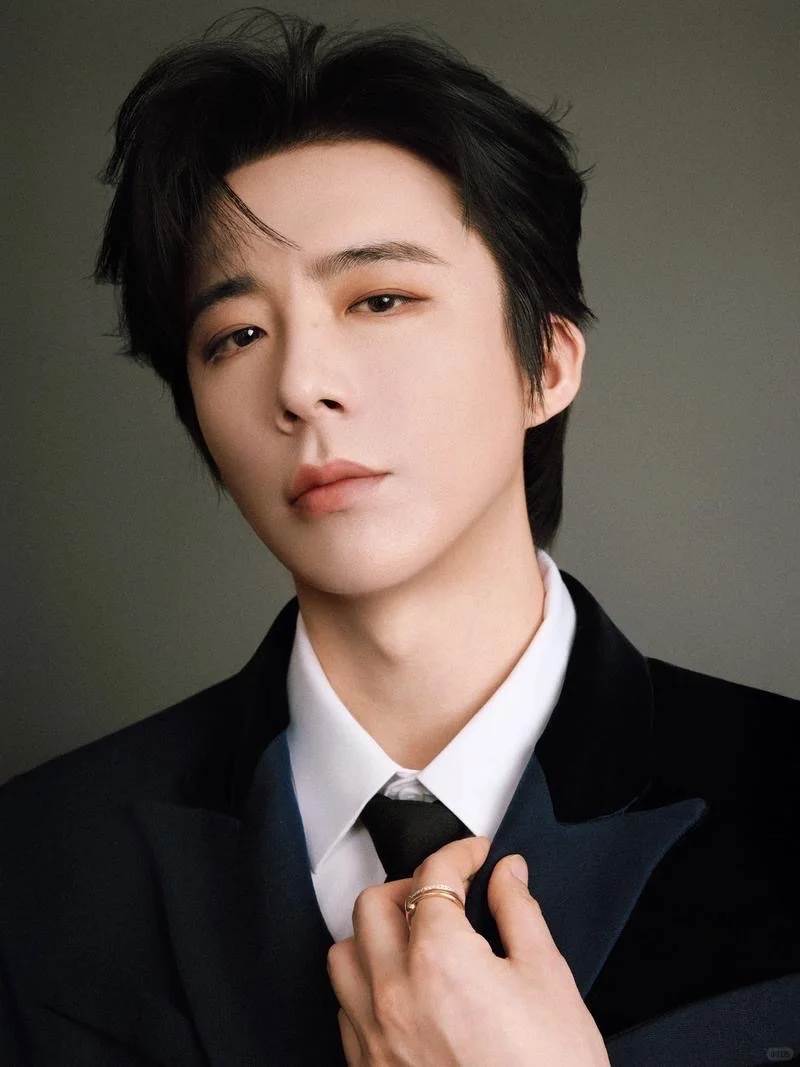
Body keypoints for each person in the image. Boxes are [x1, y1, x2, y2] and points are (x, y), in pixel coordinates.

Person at [1, 8, 797, 1065]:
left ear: (546, 363)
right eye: (236, 334)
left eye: (379, 298)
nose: (300, 383)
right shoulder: (39, 865)